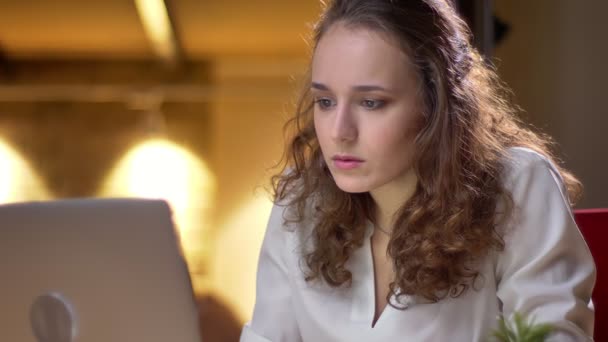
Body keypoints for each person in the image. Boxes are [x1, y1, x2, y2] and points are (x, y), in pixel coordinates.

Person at [240, 0, 595, 341]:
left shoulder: (518, 185)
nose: (338, 132)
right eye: (326, 102)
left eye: (371, 103)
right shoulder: (300, 202)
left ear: (436, 104)